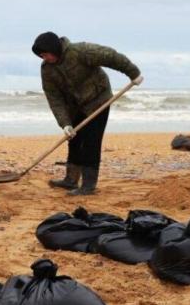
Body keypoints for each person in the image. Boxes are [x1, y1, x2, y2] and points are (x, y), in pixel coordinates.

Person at [32, 31, 143, 196]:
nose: (44, 58)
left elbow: (110, 56)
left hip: (98, 99)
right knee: (74, 139)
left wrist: (133, 73)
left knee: (91, 141)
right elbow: (54, 99)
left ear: (54, 49)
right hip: (75, 106)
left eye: (45, 54)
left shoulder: (81, 52)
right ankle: (70, 180)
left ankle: (88, 185)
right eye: (41, 56)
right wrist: (65, 123)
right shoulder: (47, 70)